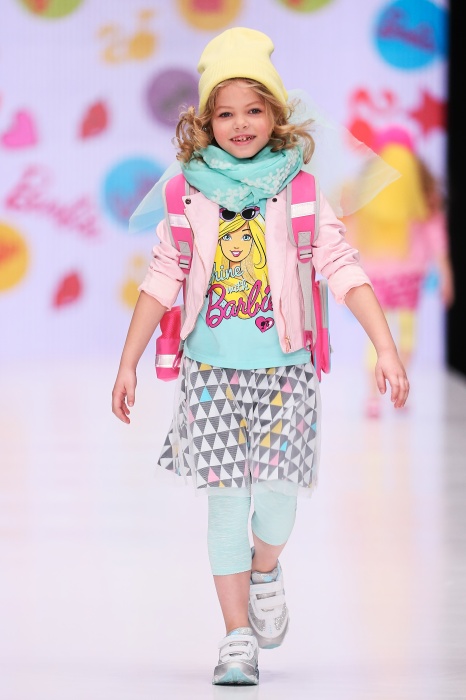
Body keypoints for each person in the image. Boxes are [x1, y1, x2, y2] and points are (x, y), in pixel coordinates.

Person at [111, 27, 409, 686]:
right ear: (204, 122)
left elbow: (342, 267)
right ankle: (235, 638)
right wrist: (128, 362)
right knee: (225, 506)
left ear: (275, 115)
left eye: (253, 109)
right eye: (225, 113)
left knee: (276, 500)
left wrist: (385, 347)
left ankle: (265, 569)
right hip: (210, 374)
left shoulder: (298, 191)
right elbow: (161, 278)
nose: (240, 124)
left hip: (285, 374)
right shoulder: (186, 193)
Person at [342, 126, 454, 418]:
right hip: (405, 275)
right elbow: (436, 236)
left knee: (380, 336)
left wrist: (344, 272)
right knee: (403, 334)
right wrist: (445, 273)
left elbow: (352, 232)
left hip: (381, 275)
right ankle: (394, 388)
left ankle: (376, 395)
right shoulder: (421, 191)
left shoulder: (370, 188)